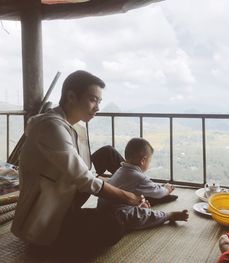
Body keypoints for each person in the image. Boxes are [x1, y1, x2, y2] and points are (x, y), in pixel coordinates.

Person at [11, 70, 146, 250]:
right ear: (72, 96)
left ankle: (146, 190)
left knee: (108, 153)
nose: (97, 107)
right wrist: (126, 197)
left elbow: (86, 172)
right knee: (113, 226)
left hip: (66, 191)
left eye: (99, 101)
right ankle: (139, 196)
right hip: (46, 214)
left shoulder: (74, 126)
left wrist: (114, 189)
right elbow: (84, 179)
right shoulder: (50, 126)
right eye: (92, 99)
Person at [97, 137, 189, 231]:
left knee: (141, 205)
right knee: (143, 215)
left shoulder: (121, 169)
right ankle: (168, 215)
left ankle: (141, 207)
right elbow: (158, 192)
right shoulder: (138, 177)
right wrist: (167, 189)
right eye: (149, 160)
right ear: (143, 160)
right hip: (116, 213)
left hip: (102, 207)